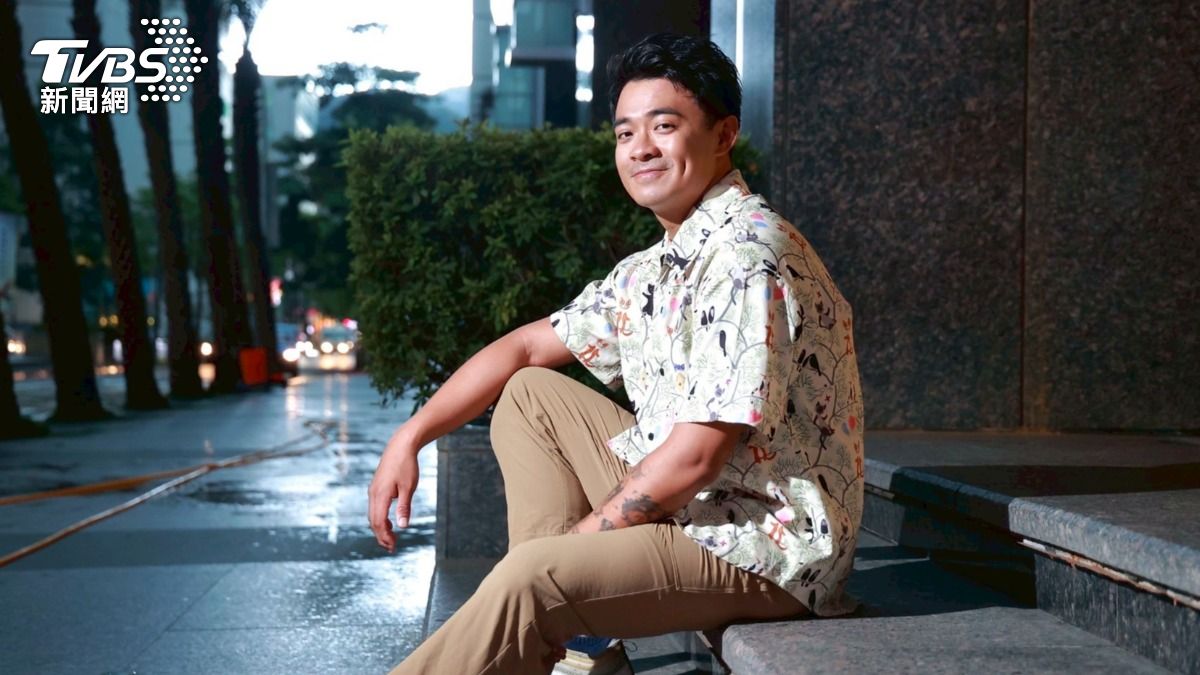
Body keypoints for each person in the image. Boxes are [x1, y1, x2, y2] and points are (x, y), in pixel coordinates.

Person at [370, 32, 865, 675]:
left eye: (665, 126)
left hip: (766, 545)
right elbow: (525, 346)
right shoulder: (656, 266)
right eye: (626, 132)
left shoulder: (746, 255)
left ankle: (559, 627)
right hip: (705, 505)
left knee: (535, 576)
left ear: (723, 135)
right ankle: (582, 649)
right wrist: (409, 436)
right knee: (531, 394)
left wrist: (580, 540)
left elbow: (697, 456)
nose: (641, 148)